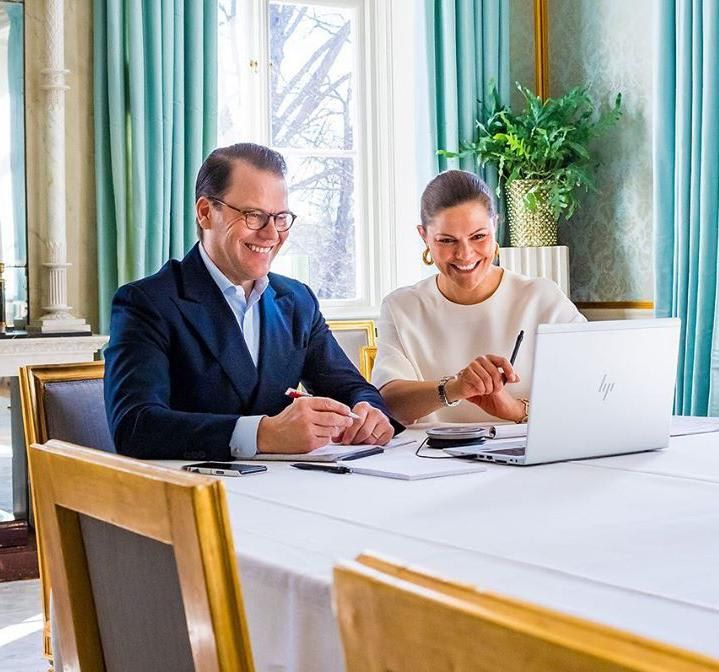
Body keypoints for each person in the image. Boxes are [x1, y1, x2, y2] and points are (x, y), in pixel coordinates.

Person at [104, 142, 398, 460]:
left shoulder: (297, 301)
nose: (271, 234)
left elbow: (351, 387)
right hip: (194, 497)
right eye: (254, 215)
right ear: (205, 213)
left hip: (290, 490)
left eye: (280, 217)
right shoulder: (147, 302)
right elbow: (134, 427)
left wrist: (367, 410)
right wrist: (263, 434)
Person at [372, 169, 585, 426]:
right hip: (433, 459)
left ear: (495, 225)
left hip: (527, 460)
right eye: (447, 240)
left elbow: (588, 392)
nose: (465, 254)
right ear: (424, 236)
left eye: (478, 236)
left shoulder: (542, 298)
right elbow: (390, 403)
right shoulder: (401, 307)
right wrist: (455, 388)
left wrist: (516, 410)